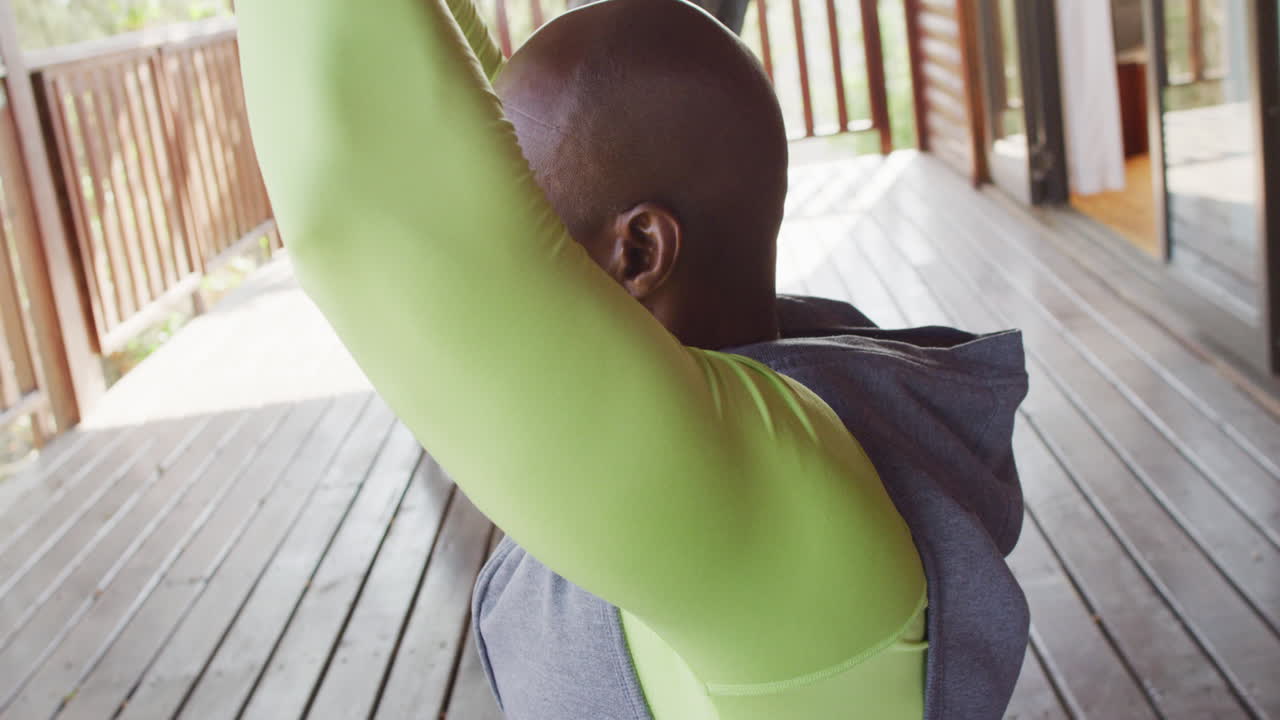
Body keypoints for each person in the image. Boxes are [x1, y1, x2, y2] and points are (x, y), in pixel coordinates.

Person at [236, 0, 1031, 718]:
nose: (503, 216)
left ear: (641, 250)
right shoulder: (791, 401)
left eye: (526, 214)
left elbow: (377, 202)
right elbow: (438, 113)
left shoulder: (766, 502)